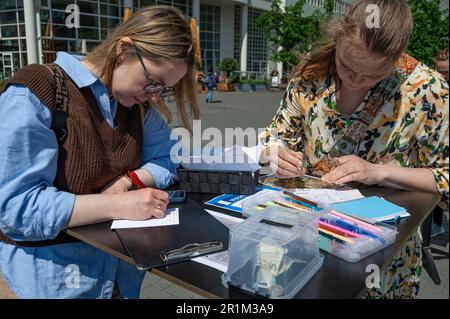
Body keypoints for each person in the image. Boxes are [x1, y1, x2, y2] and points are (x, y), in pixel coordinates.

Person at [0, 5, 199, 299]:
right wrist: (117, 205)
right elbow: (15, 208)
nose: (155, 95)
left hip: (121, 278)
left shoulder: (138, 109)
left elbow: (170, 157)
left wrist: (128, 180)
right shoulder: (38, 93)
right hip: (51, 282)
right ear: (124, 49)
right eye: (153, 81)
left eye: (164, 89)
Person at [260, 0, 448, 298]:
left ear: (398, 58)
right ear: (337, 37)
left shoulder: (427, 91)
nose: (355, 79)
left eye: (373, 74)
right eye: (346, 64)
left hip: (384, 261)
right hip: (307, 244)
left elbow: (445, 177)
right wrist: (274, 154)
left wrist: (381, 173)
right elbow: (276, 137)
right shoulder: (311, 76)